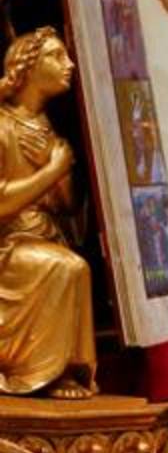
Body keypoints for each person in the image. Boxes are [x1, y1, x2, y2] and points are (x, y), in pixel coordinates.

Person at [0, 27, 96, 399]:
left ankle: (64, 370)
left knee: (70, 265)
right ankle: (41, 372)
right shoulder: (3, 125)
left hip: (44, 235)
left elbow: (67, 206)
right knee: (68, 267)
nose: (68, 64)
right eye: (56, 56)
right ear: (27, 68)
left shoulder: (46, 129)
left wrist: (57, 174)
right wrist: (51, 172)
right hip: (8, 244)